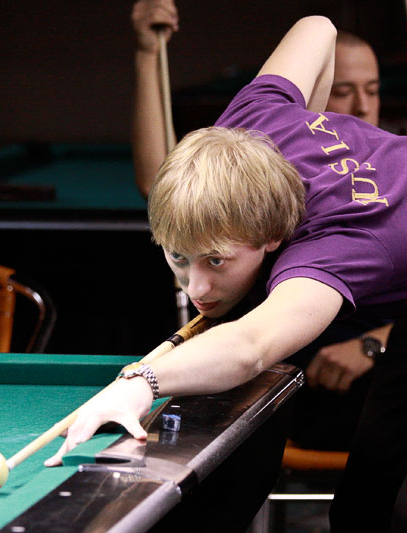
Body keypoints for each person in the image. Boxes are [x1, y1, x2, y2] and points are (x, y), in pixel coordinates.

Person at [46, 16, 407, 531]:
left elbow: (249, 348)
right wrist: (307, 117)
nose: (196, 288)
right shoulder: (254, 122)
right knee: (364, 501)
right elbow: (319, 27)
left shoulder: (334, 250)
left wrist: (140, 382)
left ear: (272, 236)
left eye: (216, 260)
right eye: (178, 258)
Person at [130, 0, 390, 450]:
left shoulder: (387, 178)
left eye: (373, 89)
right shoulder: (275, 165)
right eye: (344, 91)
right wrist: (148, 54)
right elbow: (161, 185)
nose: (363, 106)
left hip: (371, 379)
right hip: (274, 373)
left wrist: (373, 344)